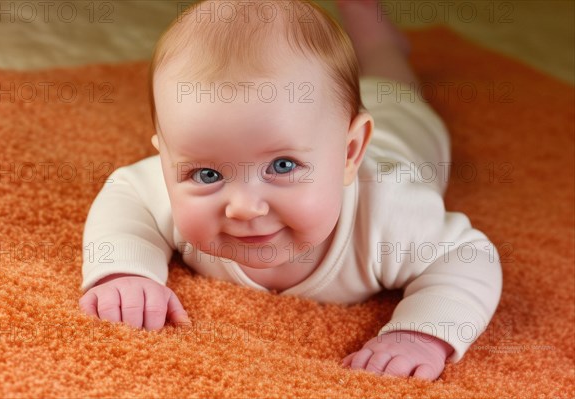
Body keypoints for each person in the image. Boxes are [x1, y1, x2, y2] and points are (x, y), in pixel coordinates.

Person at [78, 0, 502, 381]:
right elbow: (126, 194)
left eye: (282, 166)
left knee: (388, 75)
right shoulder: (163, 188)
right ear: (166, 159)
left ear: (350, 152)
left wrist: (421, 335)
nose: (243, 207)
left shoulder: (392, 215)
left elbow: (467, 258)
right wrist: (125, 270)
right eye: (206, 174)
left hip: (403, 126)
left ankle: (375, 32)